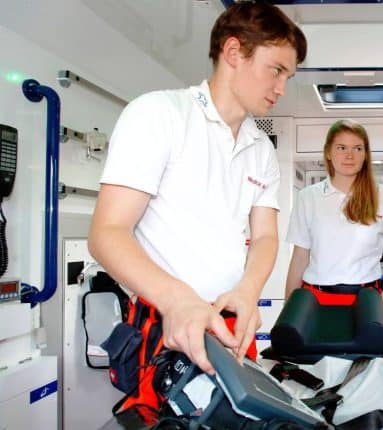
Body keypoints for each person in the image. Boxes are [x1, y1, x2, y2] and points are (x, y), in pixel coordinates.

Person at [88, 2, 307, 377]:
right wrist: (178, 301)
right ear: (234, 52)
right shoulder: (160, 114)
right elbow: (107, 233)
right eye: (276, 71)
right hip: (167, 321)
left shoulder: (261, 149)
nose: (282, 89)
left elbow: (266, 236)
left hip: (232, 325)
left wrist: (248, 292)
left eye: (288, 76)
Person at [285, 120, 383, 323]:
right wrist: (289, 309)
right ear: (328, 152)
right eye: (342, 148)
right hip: (315, 299)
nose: (349, 155)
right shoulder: (308, 197)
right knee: (312, 355)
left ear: (365, 154)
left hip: (365, 301)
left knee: (364, 356)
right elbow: (299, 258)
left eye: (357, 148)